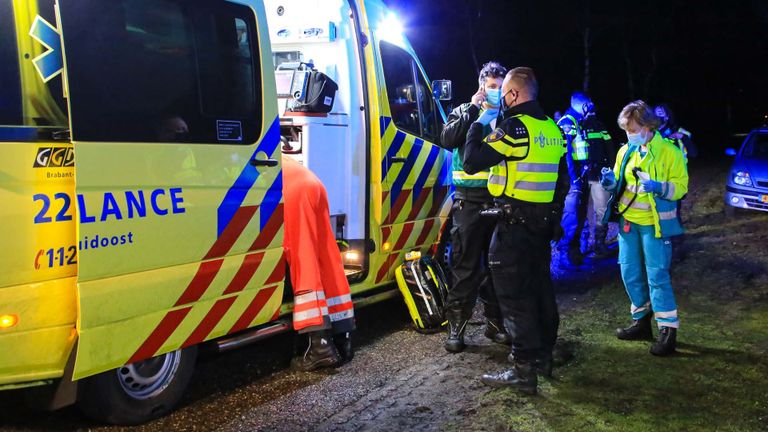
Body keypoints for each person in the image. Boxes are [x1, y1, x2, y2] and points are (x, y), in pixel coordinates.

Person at [463, 67, 569, 395]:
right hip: (541, 224)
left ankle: (523, 369)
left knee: (514, 297)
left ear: (513, 95)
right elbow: (562, 181)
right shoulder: (551, 128)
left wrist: (480, 122)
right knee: (540, 290)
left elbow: (471, 161)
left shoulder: (513, 128)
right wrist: (552, 218)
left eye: (505, 93)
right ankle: (543, 357)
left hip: (513, 226)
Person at [600, 100, 688, 356]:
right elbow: (618, 180)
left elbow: (681, 187)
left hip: (655, 227)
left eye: (633, 129)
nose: (629, 135)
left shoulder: (669, 152)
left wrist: (660, 187)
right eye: (626, 130)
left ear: (649, 126)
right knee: (629, 273)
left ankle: (667, 330)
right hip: (629, 224)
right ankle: (641, 322)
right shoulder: (626, 151)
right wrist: (609, 181)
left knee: (657, 276)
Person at [438, 61, 510, 352]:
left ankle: (496, 324)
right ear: (481, 86)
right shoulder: (464, 112)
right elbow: (447, 138)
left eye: (500, 87)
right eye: (491, 86)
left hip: (500, 200)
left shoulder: (508, 117)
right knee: (464, 265)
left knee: (498, 267)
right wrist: (472, 109)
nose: (495, 92)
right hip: (469, 201)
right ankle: (456, 328)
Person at [283, 157, 356, 370]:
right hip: (312, 182)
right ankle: (344, 341)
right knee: (326, 257)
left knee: (303, 258)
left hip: (292, 189)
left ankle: (320, 348)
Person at [556, 92, 615, 269]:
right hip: (575, 178)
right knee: (572, 216)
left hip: (589, 174)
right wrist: (573, 179)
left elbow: (606, 147)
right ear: (582, 104)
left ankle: (581, 250)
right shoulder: (568, 122)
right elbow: (566, 154)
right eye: (589, 103)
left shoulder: (589, 123)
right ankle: (566, 253)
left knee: (587, 213)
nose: (591, 107)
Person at [655, 103, 694, 262]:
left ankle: (677, 247)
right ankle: (662, 244)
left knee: (674, 213)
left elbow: (693, 152)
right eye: (656, 113)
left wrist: (682, 138)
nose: (659, 116)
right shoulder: (651, 134)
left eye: (662, 113)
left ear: (668, 115)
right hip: (657, 179)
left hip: (675, 180)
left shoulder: (679, 132)